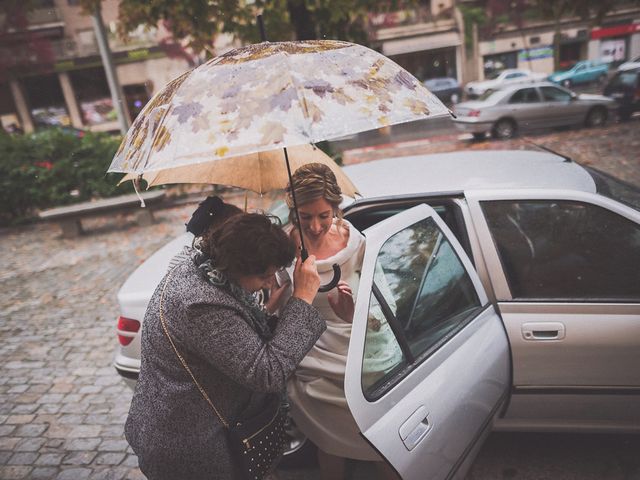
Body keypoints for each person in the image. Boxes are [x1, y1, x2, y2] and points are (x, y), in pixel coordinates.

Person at [125, 213, 326, 480]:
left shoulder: (202, 271)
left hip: (188, 430)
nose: (270, 282)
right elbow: (268, 372)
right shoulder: (200, 305)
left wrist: (268, 313)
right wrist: (302, 298)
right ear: (236, 267)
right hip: (191, 451)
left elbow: (238, 340)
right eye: (265, 276)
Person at [284, 163, 401, 480]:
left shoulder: (356, 242)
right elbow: (279, 308)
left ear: (336, 208)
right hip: (313, 360)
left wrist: (356, 314)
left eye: (324, 215)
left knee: (378, 444)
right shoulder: (283, 246)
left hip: (359, 354)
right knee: (329, 445)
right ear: (293, 212)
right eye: (305, 217)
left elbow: (386, 303)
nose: (316, 226)